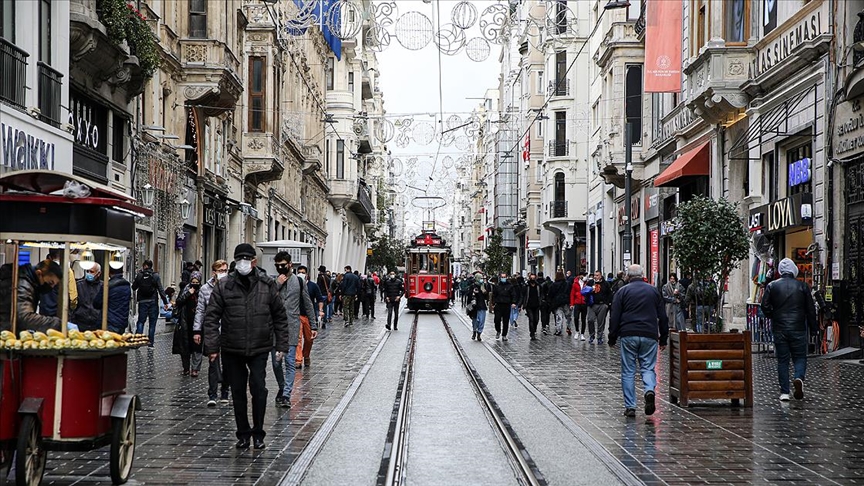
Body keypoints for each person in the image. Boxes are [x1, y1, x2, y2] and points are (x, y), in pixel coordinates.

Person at [203, 244, 290, 449]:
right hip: (232, 347)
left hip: (260, 346)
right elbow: (211, 317)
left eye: (246, 259)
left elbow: (280, 317)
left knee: (259, 389)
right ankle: (242, 433)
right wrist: (212, 347)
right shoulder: (224, 286)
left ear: (254, 261)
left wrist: (282, 345)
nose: (243, 262)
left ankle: (258, 433)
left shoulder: (266, 284)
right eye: (239, 259)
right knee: (238, 391)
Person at [608, 264, 669, 418]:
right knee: (648, 367)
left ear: (628, 276)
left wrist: (612, 337)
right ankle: (649, 390)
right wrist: (663, 338)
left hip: (629, 334)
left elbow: (615, 316)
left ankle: (630, 407)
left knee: (628, 371)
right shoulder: (653, 291)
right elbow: (663, 316)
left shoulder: (622, 292)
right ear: (643, 275)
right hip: (649, 333)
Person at [760, 258, 817, 401]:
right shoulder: (803, 287)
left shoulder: (772, 286)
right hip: (798, 327)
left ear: (780, 271)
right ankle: (798, 377)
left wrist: (774, 315)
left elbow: (764, 306)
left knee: (783, 360)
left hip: (780, 328)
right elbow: (810, 310)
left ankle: (784, 392)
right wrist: (814, 328)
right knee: (800, 357)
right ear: (794, 270)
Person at [271, 251, 315, 408]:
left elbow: (308, 303)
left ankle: (286, 394)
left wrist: (313, 324)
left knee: (290, 362)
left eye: (283, 265)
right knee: (276, 363)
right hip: (275, 329)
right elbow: (266, 299)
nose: (280, 268)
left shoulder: (299, 281)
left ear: (290, 264)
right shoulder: (272, 281)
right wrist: (277, 284)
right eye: (277, 265)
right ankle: (282, 388)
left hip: (292, 327)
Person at [193, 260, 230, 407]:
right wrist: (197, 330)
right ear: (214, 272)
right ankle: (212, 393)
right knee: (213, 361)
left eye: (225, 270)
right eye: (221, 270)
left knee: (228, 362)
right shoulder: (205, 289)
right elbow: (200, 310)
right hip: (211, 329)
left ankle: (225, 392)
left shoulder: (231, 287)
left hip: (228, 329)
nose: (224, 273)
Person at [0, 259, 63, 332]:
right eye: (50, 283)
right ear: (39, 274)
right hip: (5, 333)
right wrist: (59, 324)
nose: (51, 287)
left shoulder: (29, 282)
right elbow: (24, 317)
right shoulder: (22, 285)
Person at [132, 259, 169, 347]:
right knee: (152, 323)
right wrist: (165, 302)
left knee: (141, 322)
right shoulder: (155, 276)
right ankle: (150, 343)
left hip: (142, 302)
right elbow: (161, 289)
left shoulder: (140, 275)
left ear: (144, 266)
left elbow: (133, 287)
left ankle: (138, 342)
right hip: (153, 301)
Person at [173, 272, 203, 376]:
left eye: (197, 282)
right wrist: (188, 293)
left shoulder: (202, 291)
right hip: (185, 322)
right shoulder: (186, 289)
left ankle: (195, 369)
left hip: (198, 323)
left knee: (197, 346)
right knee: (184, 346)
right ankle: (186, 368)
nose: (195, 284)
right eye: (193, 282)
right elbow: (178, 302)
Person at [295, 265, 323, 369]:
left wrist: (320, 310)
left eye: (303, 272)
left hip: (307, 316)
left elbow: (319, 299)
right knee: (297, 339)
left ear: (307, 274)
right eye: (299, 272)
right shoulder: (294, 285)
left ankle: (306, 355)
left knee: (309, 339)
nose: (301, 274)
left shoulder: (313, 286)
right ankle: (298, 359)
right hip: (297, 316)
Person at [39, 248, 78, 317]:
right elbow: (73, 297)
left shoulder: (42, 270)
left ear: (50, 256)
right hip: (60, 313)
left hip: (44, 312)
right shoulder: (68, 271)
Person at [93, 266, 132, 334]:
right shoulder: (126, 285)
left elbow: (96, 303)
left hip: (110, 323)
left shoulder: (107, 286)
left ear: (109, 273)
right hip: (122, 323)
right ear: (122, 272)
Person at [71, 263, 103, 331]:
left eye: (91, 272)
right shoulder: (79, 285)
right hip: (80, 324)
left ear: (99, 273)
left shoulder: (103, 287)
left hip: (96, 325)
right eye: (87, 271)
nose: (88, 273)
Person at [586, 270, 613, 344]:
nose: (595, 277)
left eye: (597, 275)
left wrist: (607, 304)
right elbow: (585, 292)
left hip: (602, 305)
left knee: (601, 322)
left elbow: (609, 294)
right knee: (590, 320)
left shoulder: (605, 284)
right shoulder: (590, 283)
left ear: (600, 276)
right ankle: (592, 335)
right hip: (592, 305)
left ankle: (599, 337)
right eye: (595, 275)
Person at [491, 272, 519, 341]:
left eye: (504, 277)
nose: (503, 278)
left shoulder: (510, 286)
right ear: (500, 278)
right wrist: (493, 303)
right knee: (497, 320)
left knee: (505, 321)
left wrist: (513, 303)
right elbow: (494, 295)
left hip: (506, 305)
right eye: (502, 277)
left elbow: (513, 295)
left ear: (506, 277)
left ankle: (504, 335)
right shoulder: (497, 286)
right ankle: (498, 330)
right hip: (498, 305)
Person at [546, 271, 571, 336]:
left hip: (557, 302)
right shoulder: (567, 284)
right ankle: (568, 327)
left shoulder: (554, 285)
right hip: (566, 301)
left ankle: (558, 329)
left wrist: (550, 302)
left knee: (559, 316)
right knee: (568, 316)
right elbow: (570, 292)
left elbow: (550, 294)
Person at [467, 272, 490, 341]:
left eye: (482, 278)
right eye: (480, 278)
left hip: (482, 305)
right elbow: (469, 296)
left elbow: (487, 296)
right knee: (475, 321)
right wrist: (473, 293)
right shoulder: (473, 286)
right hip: (474, 306)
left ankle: (479, 333)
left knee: (481, 320)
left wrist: (485, 291)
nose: (481, 280)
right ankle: (474, 332)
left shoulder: (484, 286)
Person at [521, 273, 542, 340]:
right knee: (531, 319)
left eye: (534, 278)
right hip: (529, 305)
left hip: (536, 305)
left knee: (536, 319)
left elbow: (541, 294)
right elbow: (523, 295)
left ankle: (534, 330)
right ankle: (532, 333)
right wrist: (521, 304)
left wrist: (541, 301)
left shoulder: (538, 286)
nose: (532, 279)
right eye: (531, 278)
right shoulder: (526, 286)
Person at [569, 274, 587, 340]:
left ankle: (582, 333)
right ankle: (577, 331)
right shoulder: (575, 283)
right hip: (577, 303)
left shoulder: (586, 283)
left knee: (583, 319)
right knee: (576, 317)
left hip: (584, 303)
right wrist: (571, 304)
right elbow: (572, 294)